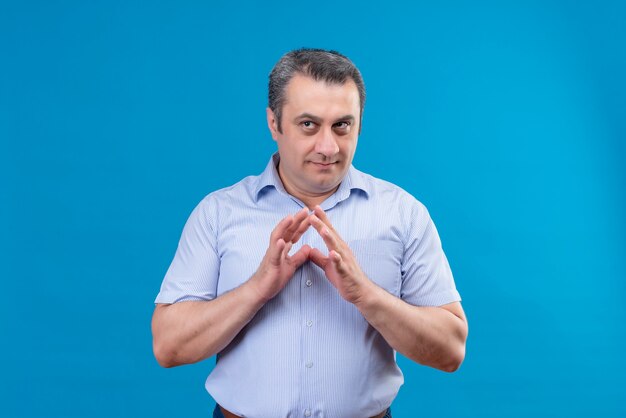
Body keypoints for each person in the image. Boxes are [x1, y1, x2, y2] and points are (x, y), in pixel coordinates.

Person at [152, 48, 468, 418]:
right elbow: (168, 346)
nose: (327, 147)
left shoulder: (403, 214)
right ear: (274, 123)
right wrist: (257, 290)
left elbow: (450, 351)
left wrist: (365, 294)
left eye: (342, 125)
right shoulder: (218, 213)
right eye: (308, 125)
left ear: (360, 124)